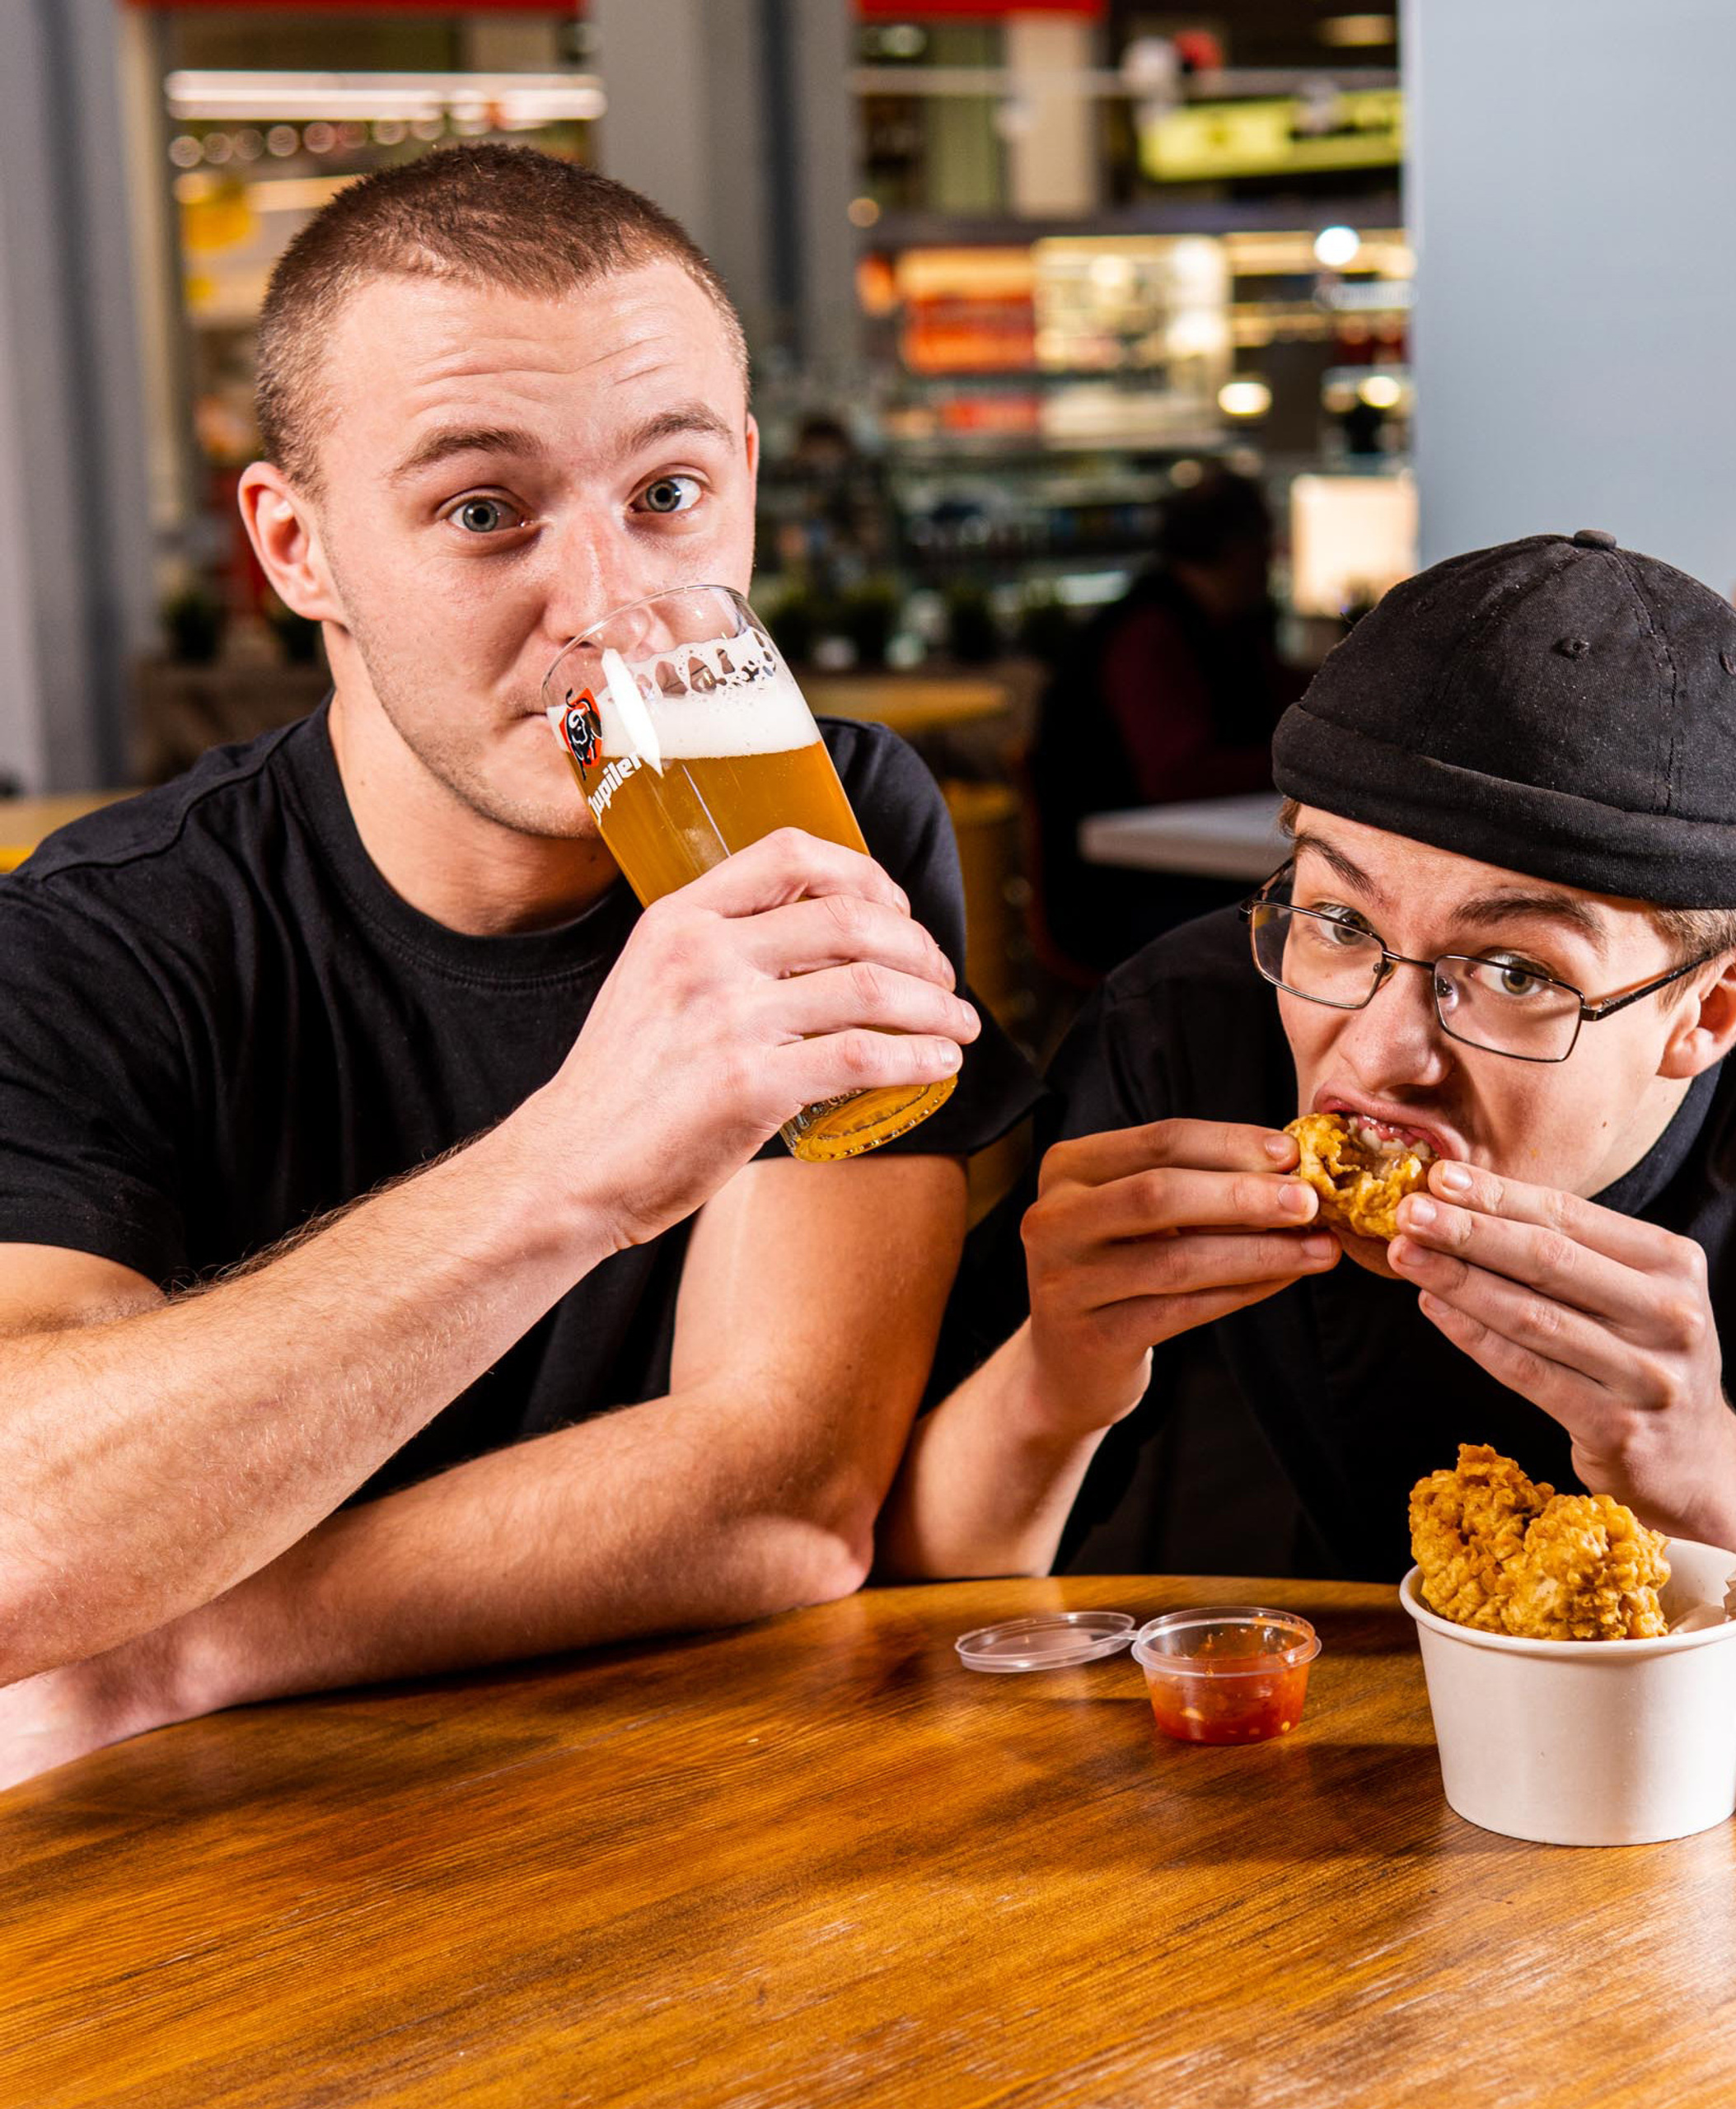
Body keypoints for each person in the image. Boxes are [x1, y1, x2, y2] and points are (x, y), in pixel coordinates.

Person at [0, 145, 1039, 1788]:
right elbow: (17, 1545)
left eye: (668, 496)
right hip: (210, 1842)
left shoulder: (816, 818)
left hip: (679, 1797)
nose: (606, 606)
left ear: (748, 481)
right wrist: (571, 1167)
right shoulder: (94, 940)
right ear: (297, 548)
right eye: (484, 511)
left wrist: (180, 1639)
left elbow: (781, 1489)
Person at [885, 530, 1736, 1752]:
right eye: (1336, 920)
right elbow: (916, 1610)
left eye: (1515, 970)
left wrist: (1707, 1474)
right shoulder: (1184, 1033)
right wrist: (1053, 1382)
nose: (1375, 1053)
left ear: (1710, 1011)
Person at [1028, 467, 1303, 972]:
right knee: (1302, 934)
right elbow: (1176, 774)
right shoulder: (1148, 635)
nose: (1275, 554)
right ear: (1239, 548)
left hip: (1170, 872)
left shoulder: (1226, 628)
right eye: (1267, 539)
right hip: (1116, 894)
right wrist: (1307, 763)